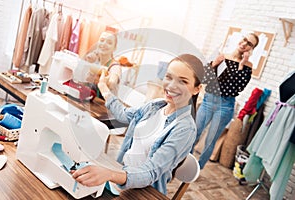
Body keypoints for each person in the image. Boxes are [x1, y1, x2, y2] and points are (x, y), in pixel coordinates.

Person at [71, 54, 205, 195]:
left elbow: (150, 172)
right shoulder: (155, 106)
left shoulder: (185, 129)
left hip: (145, 192)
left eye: (183, 81)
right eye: (169, 77)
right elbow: (124, 114)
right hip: (121, 178)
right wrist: (104, 88)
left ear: (197, 89)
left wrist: (110, 175)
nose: (171, 86)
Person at [193, 32, 259, 169]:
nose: (245, 44)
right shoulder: (222, 56)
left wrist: (241, 65)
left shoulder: (248, 65)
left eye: (250, 44)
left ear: (252, 49)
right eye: (244, 39)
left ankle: (197, 169)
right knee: (194, 134)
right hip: (208, 101)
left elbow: (237, 87)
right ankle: (182, 164)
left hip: (225, 106)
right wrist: (214, 64)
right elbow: (205, 79)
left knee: (210, 141)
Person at [84, 31, 122, 97]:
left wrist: (102, 80)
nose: (104, 44)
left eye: (109, 42)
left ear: (114, 48)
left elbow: (112, 82)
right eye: (102, 40)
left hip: (105, 106)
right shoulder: (95, 62)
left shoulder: (115, 67)